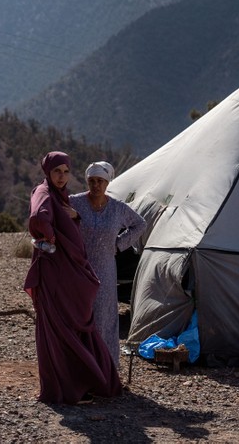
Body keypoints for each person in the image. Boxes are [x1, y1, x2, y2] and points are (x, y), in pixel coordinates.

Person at [23, 151, 122, 404]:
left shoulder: (62, 196)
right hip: (55, 274)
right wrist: (50, 240)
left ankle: (78, 382)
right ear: (48, 172)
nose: (62, 176)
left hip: (67, 271)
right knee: (63, 328)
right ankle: (67, 388)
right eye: (57, 171)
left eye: (66, 171)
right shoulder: (43, 192)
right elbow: (37, 218)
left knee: (71, 325)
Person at [69, 161, 146, 366]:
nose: (96, 185)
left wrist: (119, 245)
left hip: (105, 267)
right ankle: (79, 365)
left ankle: (105, 366)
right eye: (92, 181)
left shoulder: (117, 208)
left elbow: (140, 224)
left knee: (103, 317)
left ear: (107, 182)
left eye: (100, 181)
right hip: (79, 266)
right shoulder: (74, 202)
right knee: (80, 314)